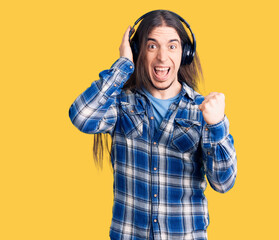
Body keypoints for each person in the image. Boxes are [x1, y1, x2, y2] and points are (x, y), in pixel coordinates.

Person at [68, 10, 237, 240]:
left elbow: (224, 182)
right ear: (139, 52)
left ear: (185, 53)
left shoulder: (204, 111)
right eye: (152, 46)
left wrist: (216, 125)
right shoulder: (120, 104)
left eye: (172, 46)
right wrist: (123, 64)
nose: (162, 58)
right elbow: (81, 116)